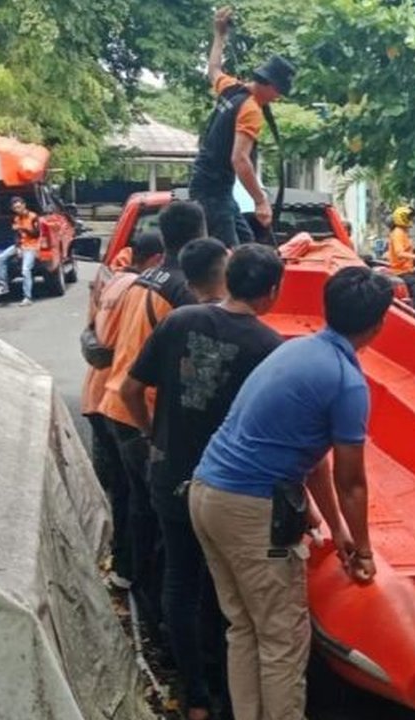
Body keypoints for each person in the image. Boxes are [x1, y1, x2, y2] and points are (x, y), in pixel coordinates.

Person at [190, 266, 393, 720]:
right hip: (250, 508)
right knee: (283, 637)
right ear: (379, 324)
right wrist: (363, 550)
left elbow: (312, 460)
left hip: (207, 493)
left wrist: (337, 529)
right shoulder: (347, 381)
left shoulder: (296, 350)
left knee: (244, 628)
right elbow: (350, 480)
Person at [121, 245, 284, 720]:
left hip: (170, 472)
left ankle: (193, 693)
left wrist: (155, 434)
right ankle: (226, 689)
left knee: (180, 577)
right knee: (225, 591)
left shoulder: (179, 321)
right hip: (227, 487)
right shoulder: (269, 349)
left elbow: (132, 390)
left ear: (227, 278)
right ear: (272, 292)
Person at [98, 201, 215, 639]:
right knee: (171, 534)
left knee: (139, 511)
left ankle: (140, 596)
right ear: (201, 233)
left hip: (116, 406)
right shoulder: (184, 292)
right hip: (143, 414)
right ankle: (163, 626)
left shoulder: (139, 280)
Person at [80, 232, 165, 589]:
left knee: (122, 488)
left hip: (97, 393)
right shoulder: (144, 291)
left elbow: (92, 338)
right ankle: (136, 571)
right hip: (122, 398)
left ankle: (123, 565)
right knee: (138, 494)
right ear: (158, 258)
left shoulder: (112, 283)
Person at [189, 5, 295, 248]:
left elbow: (213, 69)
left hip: (212, 185)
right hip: (213, 190)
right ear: (270, 85)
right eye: (278, 92)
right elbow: (240, 159)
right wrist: (260, 201)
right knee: (231, 257)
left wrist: (219, 35)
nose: (277, 98)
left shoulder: (230, 87)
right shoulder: (251, 109)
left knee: (247, 246)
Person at [0, 196, 42, 305]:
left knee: (25, 270)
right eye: (15, 208)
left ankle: (27, 298)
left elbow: (37, 234)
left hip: (31, 246)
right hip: (21, 245)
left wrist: (24, 229)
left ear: (24, 205)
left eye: (19, 207)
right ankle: (3, 286)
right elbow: (17, 235)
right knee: (1, 257)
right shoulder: (16, 219)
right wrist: (18, 247)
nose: (17, 209)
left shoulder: (33, 216)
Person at [387, 205, 415, 306]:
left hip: (407, 270)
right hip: (400, 271)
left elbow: (406, 249)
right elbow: (399, 253)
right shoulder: (398, 233)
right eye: (409, 217)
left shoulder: (402, 232)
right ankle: (414, 315)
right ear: (402, 218)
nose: (411, 220)